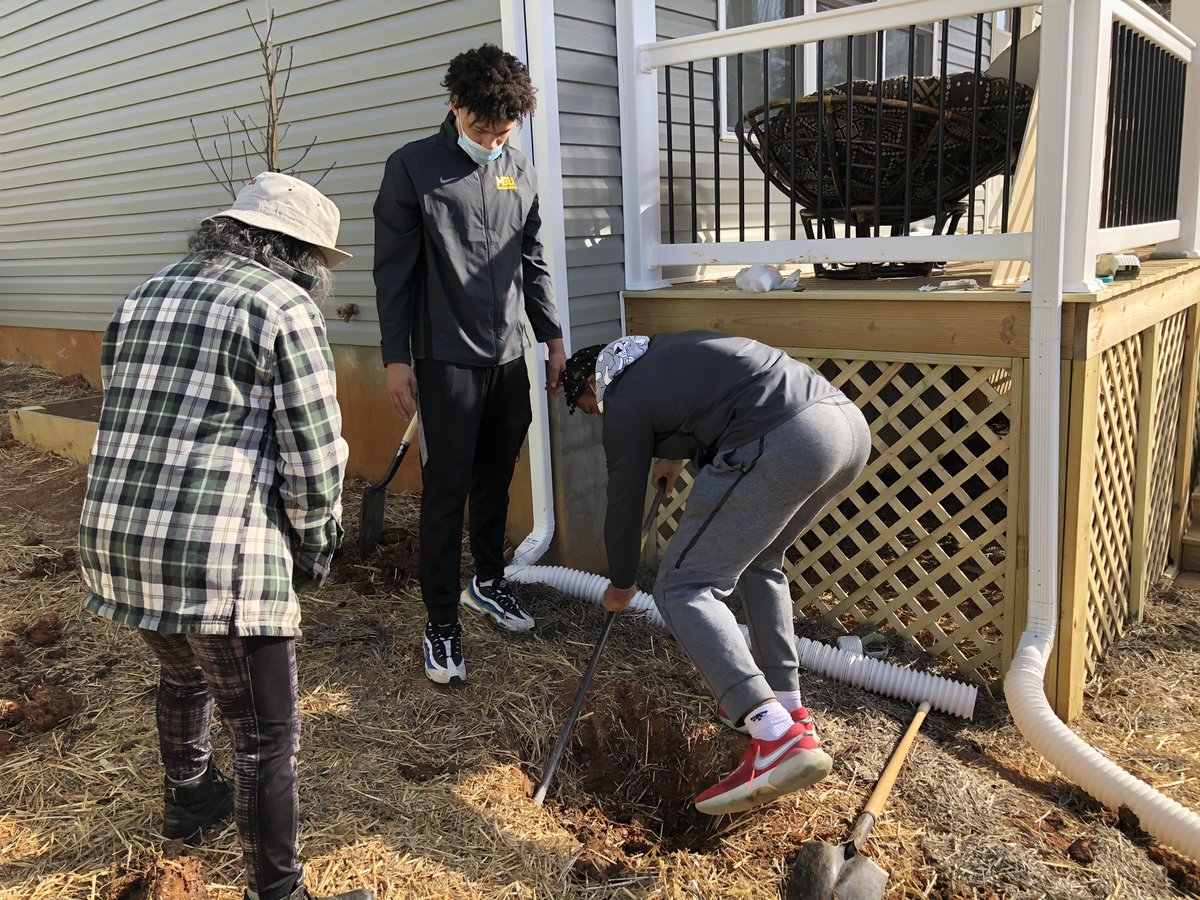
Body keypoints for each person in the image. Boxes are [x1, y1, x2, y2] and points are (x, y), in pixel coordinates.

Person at [78, 172, 373, 900]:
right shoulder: (284, 307)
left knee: (183, 672)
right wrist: (314, 548)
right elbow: (314, 453)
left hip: (116, 541)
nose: (322, 280)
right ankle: (276, 891)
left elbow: (126, 408)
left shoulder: (144, 292)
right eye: (321, 266)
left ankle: (189, 797)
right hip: (218, 554)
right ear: (297, 252)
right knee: (267, 735)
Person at [561, 331, 871, 816]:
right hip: (844, 429)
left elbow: (622, 501)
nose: (593, 413)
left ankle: (772, 733)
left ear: (590, 382)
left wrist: (622, 582)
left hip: (782, 435)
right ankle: (789, 708)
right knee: (761, 561)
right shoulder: (656, 356)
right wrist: (672, 455)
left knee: (683, 586)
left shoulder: (618, 395)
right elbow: (709, 398)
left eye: (584, 405)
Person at [373, 44, 565, 686]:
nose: (492, 140)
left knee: (497, 475)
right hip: (443, 356)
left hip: (509, 353)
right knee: (445, 490)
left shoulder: (520, 171)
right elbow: (393, 273)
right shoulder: (413, 168)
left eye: (503, 131)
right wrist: (397, 358)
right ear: (455, 107)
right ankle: (441, 623)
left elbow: (531, 260)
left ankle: (488, 581)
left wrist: (552, 337)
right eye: (482, 128)